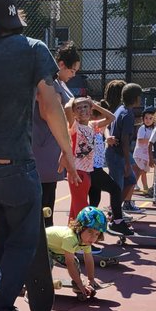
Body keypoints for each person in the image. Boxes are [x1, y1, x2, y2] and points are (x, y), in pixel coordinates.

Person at [0, 0, 78, 311]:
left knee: (0, 238)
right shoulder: (34, 48)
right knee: (25, 239)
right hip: (17, 164)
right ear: (18, 18)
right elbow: (50, 107)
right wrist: (68, 153)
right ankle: (1, 308)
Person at [33, 48, 76, 225]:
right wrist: (70, 119)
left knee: (48, 196)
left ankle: (46, 243)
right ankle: (44, 245)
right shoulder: (49, 84)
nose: (73, 75)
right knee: (44, 199)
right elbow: (48, 112)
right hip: (45, 146)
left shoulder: (59, 84)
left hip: (53, 145)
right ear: (61, 65)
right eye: (72, 70)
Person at [45, 206, 108, 300]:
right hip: (40, 245)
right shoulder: (70, 238)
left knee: (75, 262)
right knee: (46, 263)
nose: (93, 238)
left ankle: (76, 286)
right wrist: (80, 283)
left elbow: (89, 259)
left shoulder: (85, 240)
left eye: (97, 234)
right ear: (80, 227)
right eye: (90, 232)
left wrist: (91, 279)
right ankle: (35, 285)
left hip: (54, 250)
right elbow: (69, 263)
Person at [87, 99, 130, 236]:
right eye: (100, 116)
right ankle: (117, 221)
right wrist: (93, 107)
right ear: (94, 117)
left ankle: (89, 228)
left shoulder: (97, 128)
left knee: (94, 200)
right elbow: (110, 117)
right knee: (115, 189)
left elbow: (110, 118)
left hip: (96, 167)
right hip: (91, 169)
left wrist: (96, 107)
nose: (103, 120)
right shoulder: (90, 127)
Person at [106, 81, 143, 213]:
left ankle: (116, 209)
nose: (141, 99)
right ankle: (114, 213)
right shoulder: (127, 114)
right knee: (118, 186)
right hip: (117, 155)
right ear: (135, 98)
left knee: (131, 180)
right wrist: (127, 162)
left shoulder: (121, 110)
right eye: (140, 96)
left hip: (117, 154)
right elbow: (125, 140)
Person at [64, 95, 101, 223]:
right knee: (81, 207)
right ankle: (83, 236)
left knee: (76, 206)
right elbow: (67, 108)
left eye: (85, 107)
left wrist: (94, 105)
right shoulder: (75, 126)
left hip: (86, 172)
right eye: (78, 108)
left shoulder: (92, 126)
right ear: (74, 113)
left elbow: (111, 118)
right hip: (77, 171)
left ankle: (72, 232)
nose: (82, 110)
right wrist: (71, 99)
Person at [133, 108, 155, 194]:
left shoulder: (153, 129)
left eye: (150, 118)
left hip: (147, 155)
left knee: (143, 172)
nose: (148, 120)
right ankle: (135, 185)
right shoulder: (142, 128)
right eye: (146, 118)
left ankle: (144, 187)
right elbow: (140, 140)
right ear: (143, 119)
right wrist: (151, 140)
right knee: (141, 171)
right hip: (140, 154)